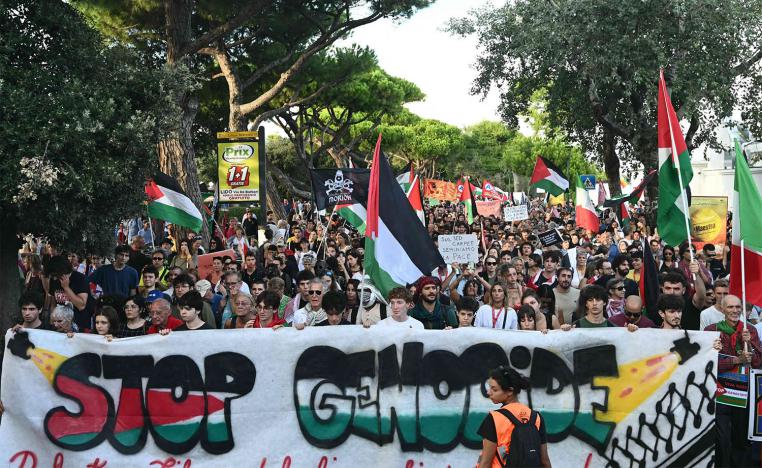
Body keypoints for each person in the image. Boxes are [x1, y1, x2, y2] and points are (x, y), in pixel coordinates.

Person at [705, 294, 762, 467]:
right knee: (721, 437)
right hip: (720, 391)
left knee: (741, 436)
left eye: (738, 307)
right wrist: (736, 360)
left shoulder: (750, 330)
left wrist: (749, 344)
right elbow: (708, 363)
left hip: (744, 391)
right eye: (730, 307)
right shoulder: (711, 330)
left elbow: (758, 362)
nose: (735, 310)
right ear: (722, 309)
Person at [477, 366, 551, 468]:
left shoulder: (494, 418)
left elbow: (485, 463)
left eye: (494, 389)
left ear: (510, 391)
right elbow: (545, 461)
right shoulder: (536, 417)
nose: (488, 392)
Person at [44, 254, 91, 331]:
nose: (54, 278)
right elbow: (53, 304)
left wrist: (66, 288)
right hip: (59, 326)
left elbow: (81, 305)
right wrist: (52, 322)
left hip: (78, 326)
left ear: (62, 271)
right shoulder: (54, 280)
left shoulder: (80, 279)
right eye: (52, 275)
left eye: (55, 274)